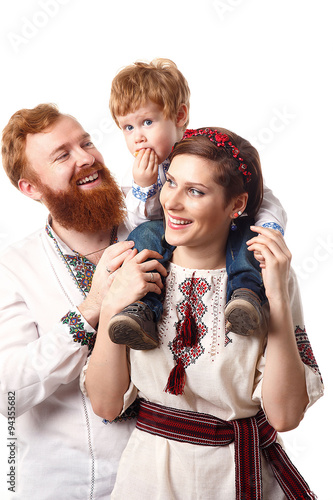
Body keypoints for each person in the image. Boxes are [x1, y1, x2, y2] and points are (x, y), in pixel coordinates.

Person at [83, 127, 324, 499]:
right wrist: (114, 301)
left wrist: (276, 294)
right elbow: (106, 403)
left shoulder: (269, 276)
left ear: (237, 205)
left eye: (195, 191)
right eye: (171, 183)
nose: (172, 202)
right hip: (150, 480)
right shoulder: (135, 266)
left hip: (241, 478)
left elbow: (285, 416)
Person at [0, 103, 166, 499]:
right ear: (31, 187)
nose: (87, 158)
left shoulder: (156, 216)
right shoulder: (13, 268)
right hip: (69, 486)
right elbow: (9, 395)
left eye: (86, 143)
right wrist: (91, 309)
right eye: (63, 155)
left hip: (165, 476)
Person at [107, 58, 287, 350]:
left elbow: (260, 196)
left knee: (247, 236)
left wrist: (268, 228)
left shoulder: (208, 151)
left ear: (179, 116)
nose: (138, 137)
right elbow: (144, 224)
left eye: (147, 122)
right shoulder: (138, 172)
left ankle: (244, 295)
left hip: (217, 235)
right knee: (139, 238)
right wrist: (143, 186)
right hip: (173, 236)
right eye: (127, 127)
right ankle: (143, 310)